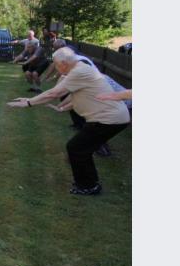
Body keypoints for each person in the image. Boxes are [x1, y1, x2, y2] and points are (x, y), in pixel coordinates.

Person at [7, 47, 130, 195]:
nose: (56, 68)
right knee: (81, 149)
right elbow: (80, 94)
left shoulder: (79, 71)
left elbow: (55, 92)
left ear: (64, 63)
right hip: (110, 117)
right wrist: (62, 107)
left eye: (57, 65)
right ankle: (90, 183)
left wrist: (29, 103)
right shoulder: (80, 68)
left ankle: (88, 186)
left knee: (76, 148)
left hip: (109, 118)